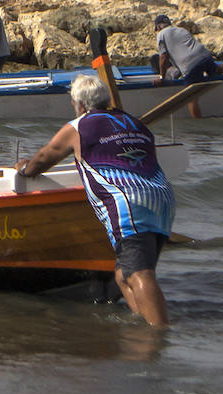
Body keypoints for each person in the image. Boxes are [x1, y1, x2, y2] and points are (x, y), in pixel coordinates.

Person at [15, 75, 174, 326]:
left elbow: (44, 158)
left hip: (128, 202)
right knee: (122, 275)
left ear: (79, 105)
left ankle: (160, 334)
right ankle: (143, 326)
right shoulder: (134, 123)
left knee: (138, 273)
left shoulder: (79, 126)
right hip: (162, 200)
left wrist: (24, 169)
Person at [153, 14, 223, 118]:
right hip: (205, 55)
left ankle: (199, 126)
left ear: (158, 27)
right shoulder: (181, 30)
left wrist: (161, 77)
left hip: (190, 65)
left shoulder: (161, 35)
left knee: (191, 98)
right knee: (215, 70)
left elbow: (163, 57)